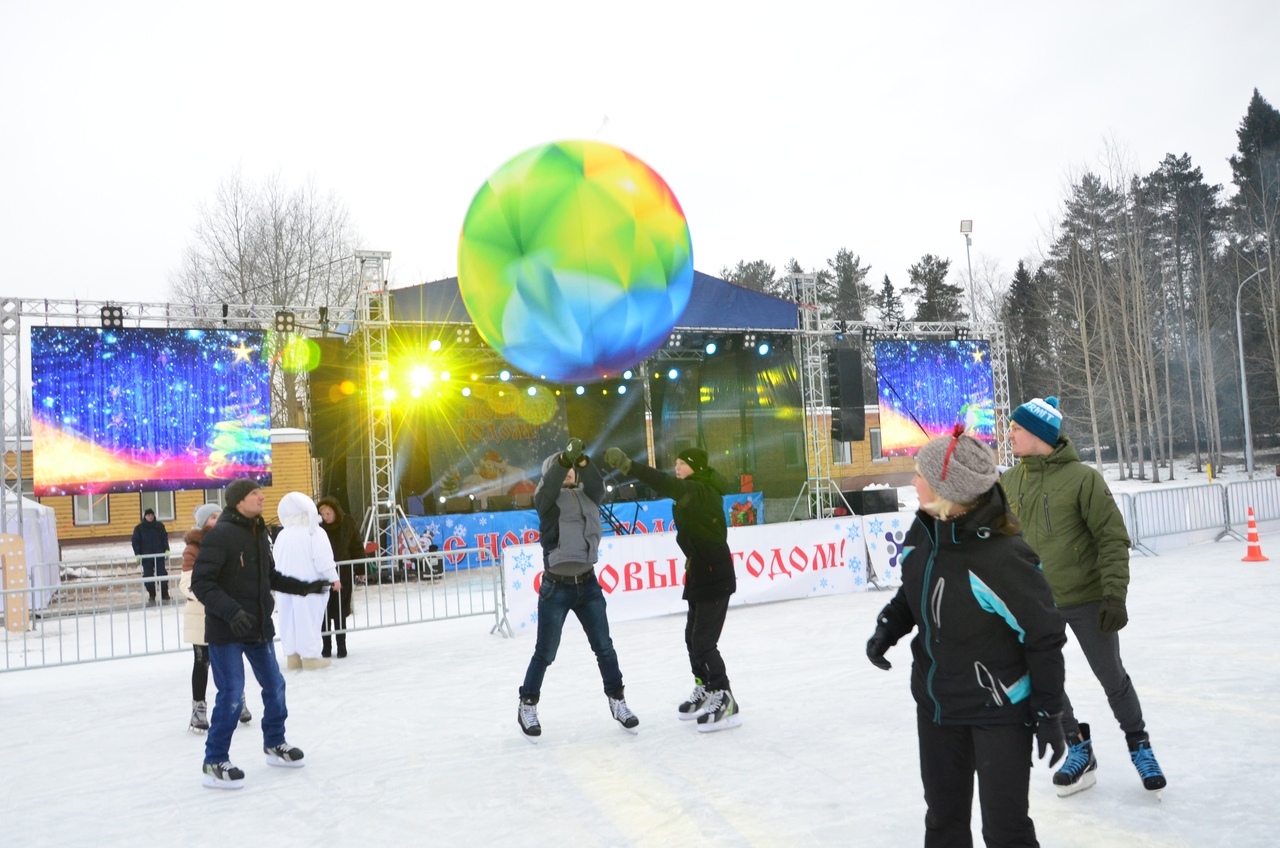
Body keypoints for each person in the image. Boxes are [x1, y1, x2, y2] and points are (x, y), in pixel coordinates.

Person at [865, 425, 1068, 847]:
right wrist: (891, 625)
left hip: (998, 709)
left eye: (921, 474)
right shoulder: (925, 529)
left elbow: (1044, 634)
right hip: (937, 705)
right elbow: (914, 587)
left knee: (1006, 830)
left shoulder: (1000, 556)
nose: (913, 481)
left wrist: (1050, 711)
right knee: (943, 822)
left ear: (947, 490)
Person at [1000, 396, 1167, 795]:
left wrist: (1114, 595)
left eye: (1016, 429)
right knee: (1048, 682)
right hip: (1036, 605)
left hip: (1087, 599)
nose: (1009, 435)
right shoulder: (1008, 482)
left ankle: (1139, 745)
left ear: (1039, 433)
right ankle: (1079, 748)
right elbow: (996, 543)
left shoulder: (1083, 479)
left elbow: (1111, 539)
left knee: (1112, 677)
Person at [191, 478, 332, 789]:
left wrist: (303, 587)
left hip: (258, 628)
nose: (262, 497)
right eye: (255, 493)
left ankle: (274, 743)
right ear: (240, 500)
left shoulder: (258, 532)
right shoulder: (221, 536)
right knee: (230, 694)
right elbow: (201, 583)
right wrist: (231, 612)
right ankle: (215, 760)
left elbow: (268, 576)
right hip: (227, 630)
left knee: (275, 685)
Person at [605, 444, 740, 732]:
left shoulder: (700, 490)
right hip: (700, 574)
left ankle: (725, 696)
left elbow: (662, 482)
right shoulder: (691, 490)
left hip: (716, 576)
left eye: (682, 463)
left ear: (696, 467)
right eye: (676, 462)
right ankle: (704, 687)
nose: (676, 468)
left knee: (704, 642)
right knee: (692, 639)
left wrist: (631, 467)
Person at [517, 438, 639, 741]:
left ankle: (617, 700)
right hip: (555, 589)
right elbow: (551, 483)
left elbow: (596, 483)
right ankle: (527, 704)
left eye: (572, 468)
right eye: (563, 468)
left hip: (588, 585)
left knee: (604, 647)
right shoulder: (545, 499)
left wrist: (583, 460)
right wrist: (562, 461)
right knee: (545, 652)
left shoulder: (589, 496)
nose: (569, 471)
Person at [180, 504, 250, 732]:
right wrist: (213, 597)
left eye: (220, 516)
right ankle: (198, 709)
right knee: (202, 662)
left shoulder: (231, 541)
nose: (218, 520)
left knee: (232, 660)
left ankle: (237, 700)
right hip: (202, 614)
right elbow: (186, 583)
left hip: (227, 613)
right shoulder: (194, 548)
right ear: (202, 523)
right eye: (212, 517)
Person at [273, 492, 340, 671]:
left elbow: (274, 559)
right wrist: (334, 578)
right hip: (310, 584)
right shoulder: (315, 533)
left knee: (289, 620)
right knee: (308, 618)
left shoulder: (283, 535)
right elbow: (323, 559)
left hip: (284, 586)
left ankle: (292, 657)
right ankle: (310, 657)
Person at [317, 496, 362, 659]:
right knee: (324, 612)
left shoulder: (347, 523)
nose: (325, 517)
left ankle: (341, 645)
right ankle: (326, 646)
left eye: (328, 513)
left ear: (335, 512)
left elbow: (357, 545)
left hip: (343, 574)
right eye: (322, 514)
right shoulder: (316, 527)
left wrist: (361, 569)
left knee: (340, 611)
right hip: (322, 574)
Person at [132, 506, 172, 606]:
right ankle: (152, 595)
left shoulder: (159, 526)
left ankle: (164, 594)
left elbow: (164, 538)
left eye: (152, 515)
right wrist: (137, 554)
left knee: (162, 574)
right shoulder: (139, 528)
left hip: (159, 554)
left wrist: (166, 549)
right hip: (146, 556)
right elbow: (135, 542)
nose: (150, 517)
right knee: (148, 576)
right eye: (148, 515)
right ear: (145, 516)